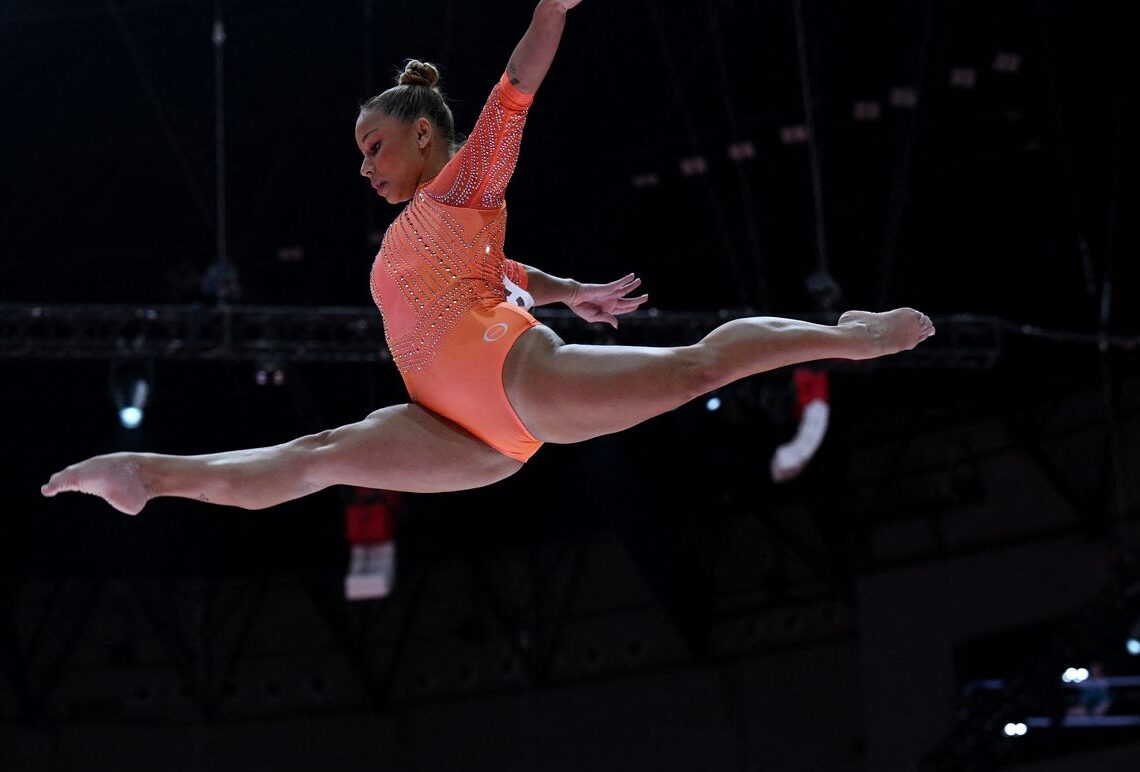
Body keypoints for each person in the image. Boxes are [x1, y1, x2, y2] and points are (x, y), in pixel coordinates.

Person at [41, 0, 934, 516]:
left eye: (374, 147)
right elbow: (497, 269)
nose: (364, 167)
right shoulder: (437, 229)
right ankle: (143, 477)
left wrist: (550, 9)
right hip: (462, 434)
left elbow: (518, 86)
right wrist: (565, 287)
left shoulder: (462, 186)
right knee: (314, 455)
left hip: (511, 380)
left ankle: (852, 337)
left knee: (702, 364)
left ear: (424, 135)